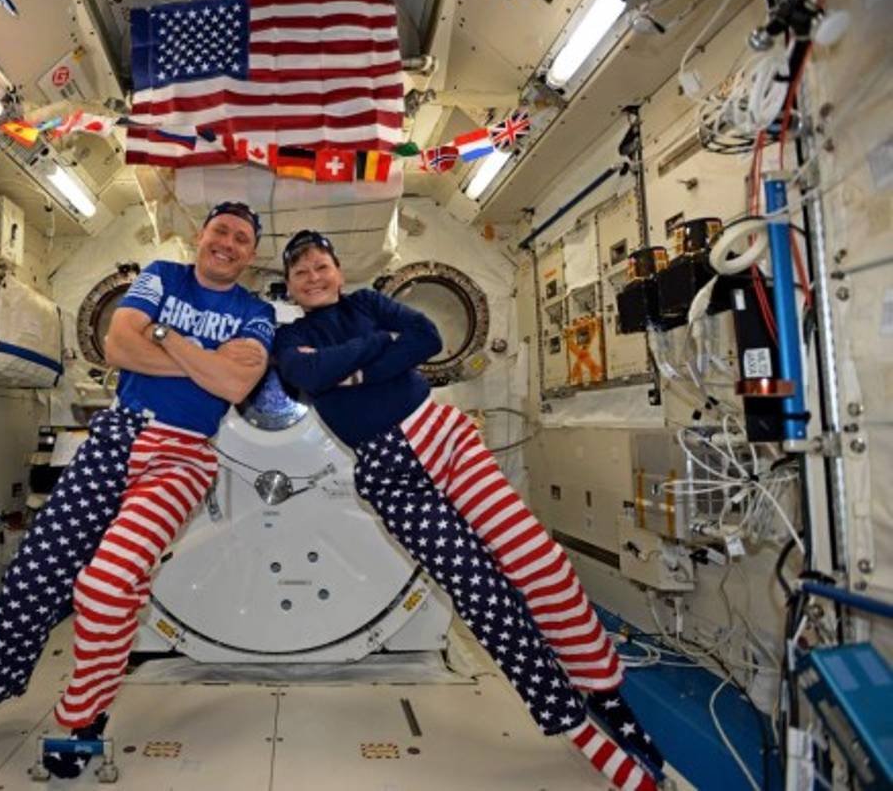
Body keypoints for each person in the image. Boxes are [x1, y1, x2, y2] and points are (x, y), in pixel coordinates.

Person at [273, 230, 665, 791]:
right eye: (301, 271)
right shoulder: (290, 337)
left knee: (540, 563)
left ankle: (605, 693)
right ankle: (573, 722)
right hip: (392, 475)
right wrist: (376, 351)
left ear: (338, 269)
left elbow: (426, 337)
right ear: (290, 284)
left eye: (321, 265)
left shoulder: (367, 303)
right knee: (483, 597)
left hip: (445, 438)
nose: (314, 276)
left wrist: (349, 369)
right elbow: (308, 375)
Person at [0, 201, 275, 779]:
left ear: (251, 254)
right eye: (220, 231)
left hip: (181, 458)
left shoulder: (254, 312)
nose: (228, 243)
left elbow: (234, 381)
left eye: (241, 237)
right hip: (117, 438)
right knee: (35, 572)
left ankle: (82, 714)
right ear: (199, 235)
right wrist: (204, 359)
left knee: (105, 585)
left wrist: (165, 336)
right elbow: (117, 347)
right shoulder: (162, 273)